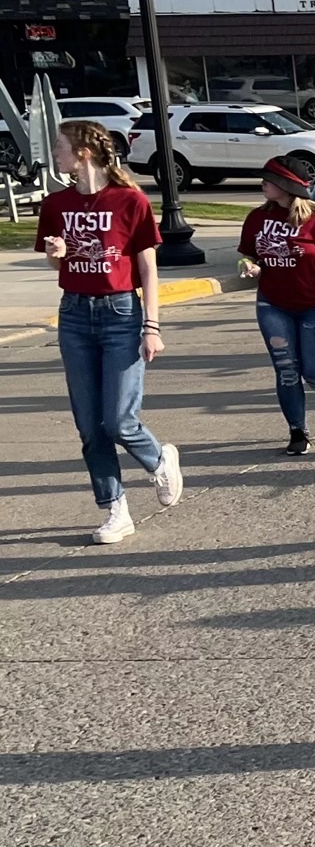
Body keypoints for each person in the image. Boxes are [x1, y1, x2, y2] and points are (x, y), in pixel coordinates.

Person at [35, 121, 184, 544]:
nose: (55, 153)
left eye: (60, 146)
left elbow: (147, 268)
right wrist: (57, 254)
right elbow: (57, 263)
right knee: (89, 425)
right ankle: (115, 509)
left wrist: (151, 326)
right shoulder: (56, 203)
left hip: (121, 313)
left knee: (118, 420)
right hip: (74, 314)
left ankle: (159, 461)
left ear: (83, 152)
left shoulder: (129, 200)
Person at [238, 157, 315, 456]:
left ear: (287, 185)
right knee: (287, 371)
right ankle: (297, 431)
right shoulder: (257, 218)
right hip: (273, 305)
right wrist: (250, 265)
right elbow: (250, 255)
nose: (263, 184)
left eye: (269, 179)